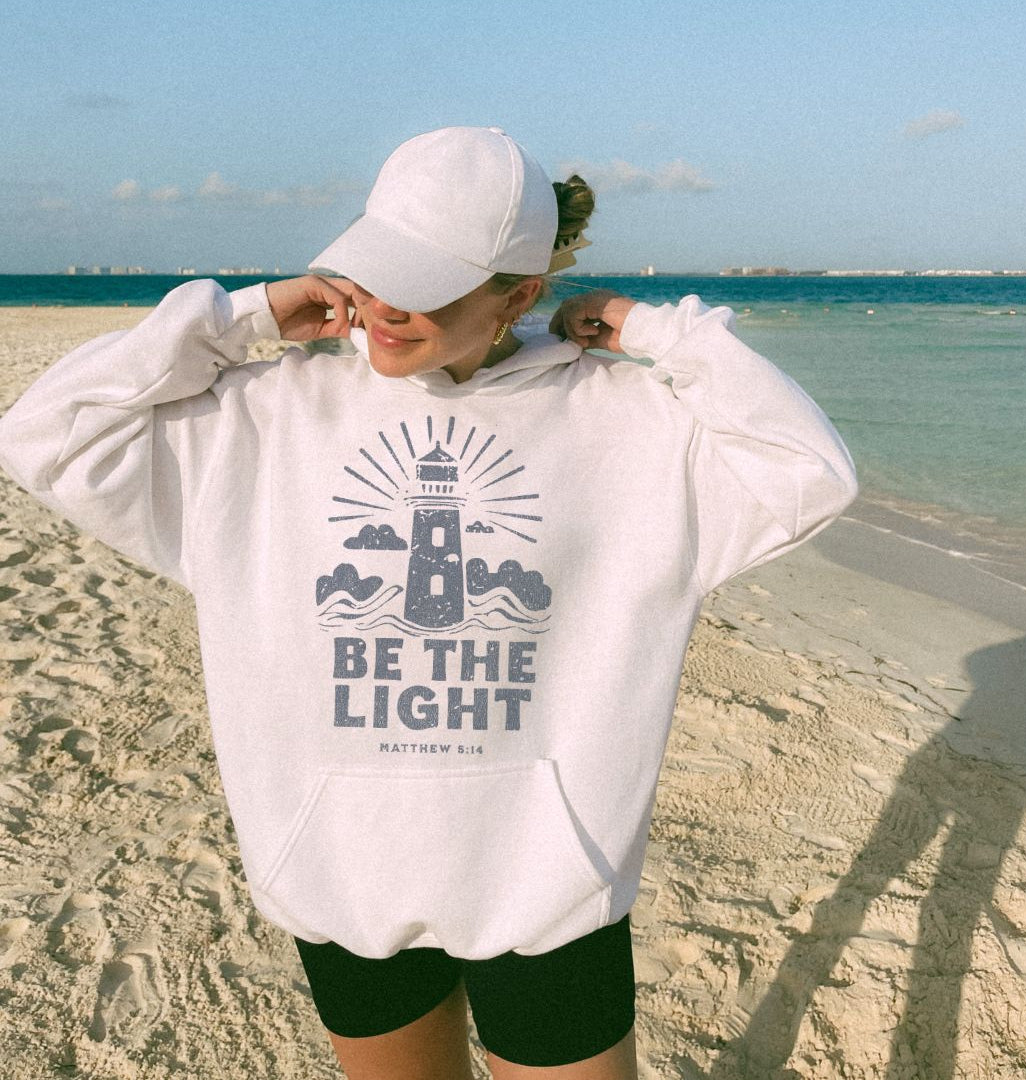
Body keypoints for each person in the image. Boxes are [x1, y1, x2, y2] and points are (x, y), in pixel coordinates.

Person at [0, 125, 857, 1079]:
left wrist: (661, 333)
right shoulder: (264, 413)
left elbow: (807, 470)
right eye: (374, 271)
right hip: (340, 871)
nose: (385, 307)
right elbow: (46, 434)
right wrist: (238, 320)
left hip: (544, 883)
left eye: (427, 281)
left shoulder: (626, 422)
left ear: (522, 294)